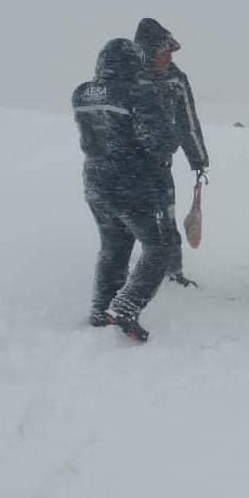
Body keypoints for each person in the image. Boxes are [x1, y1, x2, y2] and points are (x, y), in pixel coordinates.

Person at [72, 38, 179, 341]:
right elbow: (160, 142)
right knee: (159, 248)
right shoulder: (138, 93)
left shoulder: (82, 93)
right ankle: (125, 307)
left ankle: (100, 310)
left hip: (96, 182)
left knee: (113, 248)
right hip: (132, 184)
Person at [134, 17, 209, 287]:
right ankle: (127, 271)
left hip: (160, 163)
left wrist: (198, 158)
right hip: (127, 165)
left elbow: (188, 120)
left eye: (169, 51)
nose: (167, 56)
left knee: (167, 218)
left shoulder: (176, 79)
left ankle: (173, 271)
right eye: (162, 51)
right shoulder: (128, 76)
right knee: (131, 221)